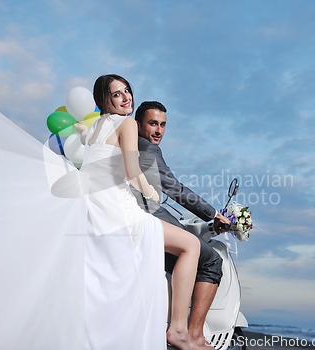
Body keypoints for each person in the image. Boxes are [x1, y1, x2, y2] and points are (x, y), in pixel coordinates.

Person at [76, 74, 200, 350]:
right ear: (104, 100)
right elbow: (132, 172)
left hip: (97, 213)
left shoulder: (94, 128)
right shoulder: (127, 123)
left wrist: (80, 131)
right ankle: (179, 329)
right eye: (117, 94)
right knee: (191, 245)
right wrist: (151, 192)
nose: (126, 97)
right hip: (120, 212)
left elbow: (93, 154)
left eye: (127, 91)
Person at [133, 101, 231, 350]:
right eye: (153, 123)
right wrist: (213, 214)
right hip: (150, 216)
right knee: (211, 261)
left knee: (186, 248)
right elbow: (174, 188)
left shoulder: (127, 144)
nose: (158, 131)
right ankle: (193, 335)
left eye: (163, 125)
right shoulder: (147, 148)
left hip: (140, 215)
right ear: (138, 124)